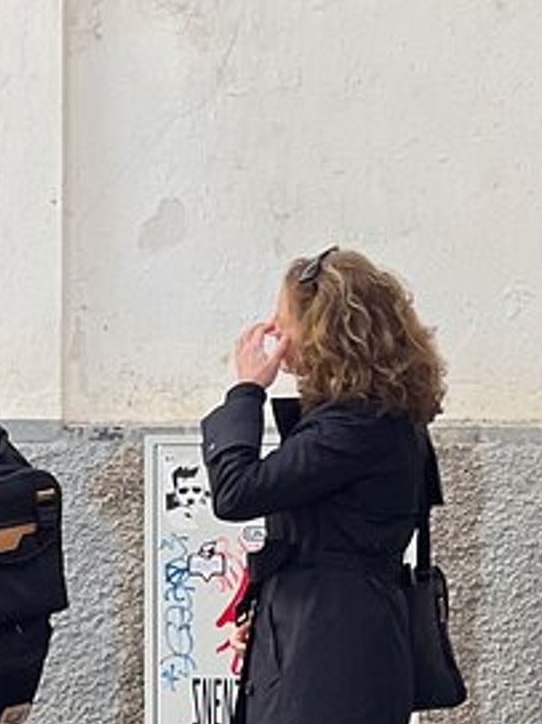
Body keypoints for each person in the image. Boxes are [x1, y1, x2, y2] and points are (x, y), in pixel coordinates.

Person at [200, 246, 447, 724]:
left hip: (331, 650)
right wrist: (273, 617)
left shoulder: (356, 427)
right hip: (327, 636)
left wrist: (247, 391)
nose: (276, 332)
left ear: (319, 332)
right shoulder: (373, 419)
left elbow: (236, 491)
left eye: (283, 319)